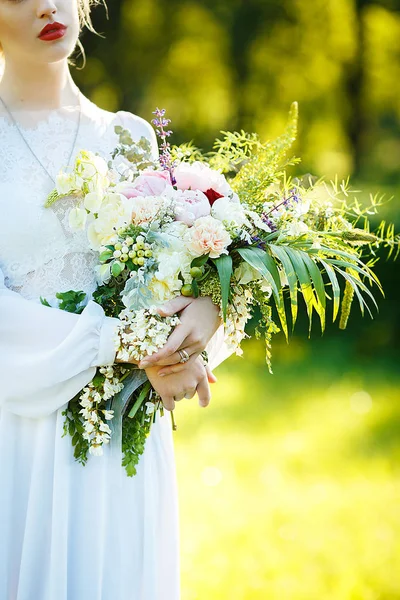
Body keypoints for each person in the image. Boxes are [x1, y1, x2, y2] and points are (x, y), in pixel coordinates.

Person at [0, 1, 231, 598]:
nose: (48, 5)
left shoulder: (129, 137)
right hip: (17, 423)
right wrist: (120, 341)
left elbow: (178, 268)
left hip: (121, 433)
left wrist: (205, 312)